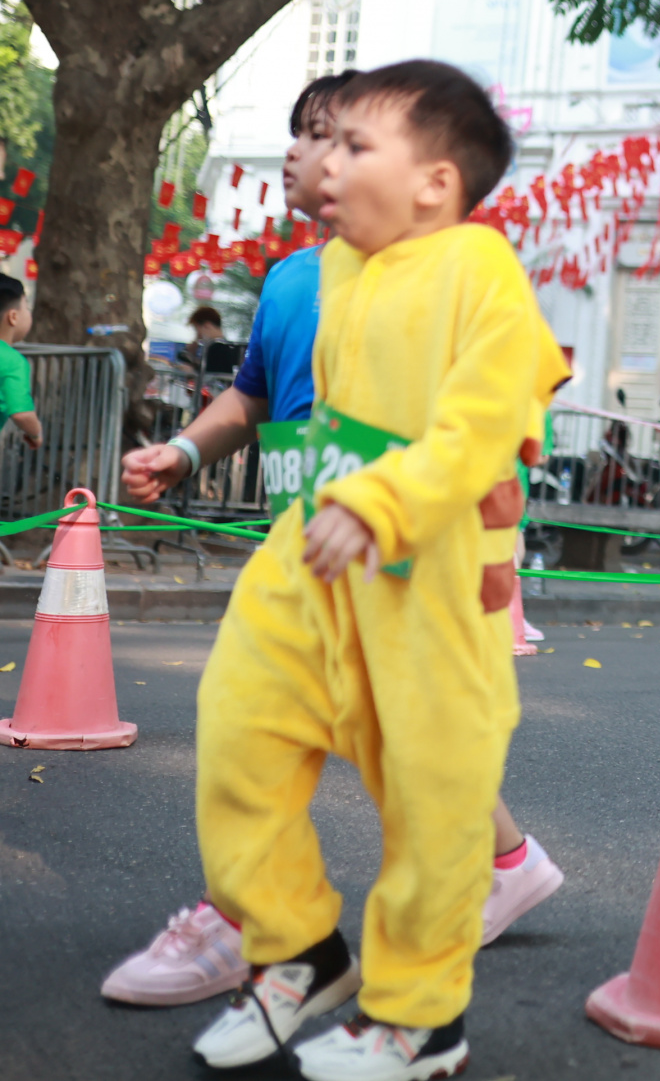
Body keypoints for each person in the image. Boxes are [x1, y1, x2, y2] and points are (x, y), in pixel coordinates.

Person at [104, 74, 564, 1016]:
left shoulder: (473, 268)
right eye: (314, 136)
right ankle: (274, 930)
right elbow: (259, 396)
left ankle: (417, 1004)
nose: (307, 155)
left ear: (428, 177)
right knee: (249, 723)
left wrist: (391, 501)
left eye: (342, 139)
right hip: (309, 547)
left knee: (422, 766)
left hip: (416, 556)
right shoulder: (306, 276)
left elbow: (492, 416)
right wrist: (184, 451)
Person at [0, 272, 40, 451]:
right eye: (27, 307)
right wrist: (35, 433)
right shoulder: (12, 361)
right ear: (13, 317)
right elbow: (22, 414)